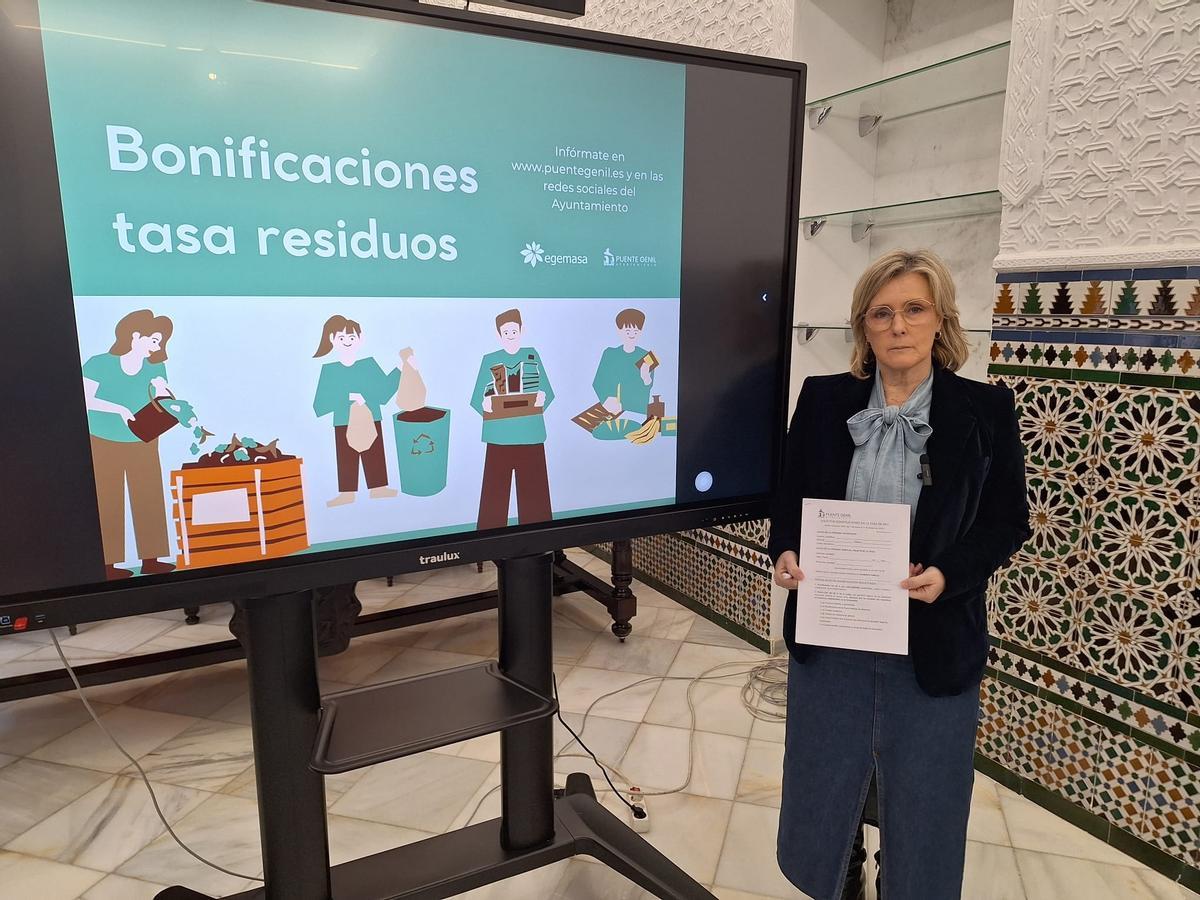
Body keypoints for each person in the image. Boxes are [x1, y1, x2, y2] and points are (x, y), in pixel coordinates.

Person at [769, 249, 1031, 900]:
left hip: (934, 644)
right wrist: (786, 550)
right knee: (826, 781)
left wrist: (949, 573)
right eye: (881, 313)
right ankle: (842, 875)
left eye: (914, 309)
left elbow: (1007, 522)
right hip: (834, 640)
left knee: (926, 794)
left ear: (941, 320)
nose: (897, 325)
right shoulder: (824, 400)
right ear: (863, 327)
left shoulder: (984, 411)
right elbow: (790, 497)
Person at [82, 309, 178, 580]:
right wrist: (120, 409)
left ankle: (152, 559)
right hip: (103, 439)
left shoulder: (155, 367)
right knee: (108, 497)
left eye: (160, 342)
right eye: (155, 340)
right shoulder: (99, 363)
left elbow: (163, 401)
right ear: (135, 335)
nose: (158, 347)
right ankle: (109, 565)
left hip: (142, 439)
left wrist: (164, 392)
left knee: (148, 495)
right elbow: (86, 399)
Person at [471, 308, 554, 528]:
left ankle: (540, 533)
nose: (510, 335)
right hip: (499, 436)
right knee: (494, 495)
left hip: (531, 434)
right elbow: (476, 397)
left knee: (535, 501)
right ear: (499, 334)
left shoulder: (532, 355)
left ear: (521, 330)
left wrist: (542, 397)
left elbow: (547, 390)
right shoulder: (490, 359)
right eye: (505, 332)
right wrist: (485, 402)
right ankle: (487, 540)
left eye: (513, 330)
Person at [312, 315, 407, 507]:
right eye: (341, 338)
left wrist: (401, 369)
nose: (347, 342)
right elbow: (319, 404)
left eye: (352, 337)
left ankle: (378, 488)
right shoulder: (329, 371)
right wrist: (346, 399)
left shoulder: (369, 365)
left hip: (371, 419)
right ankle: (347, 493)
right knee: (346, 456)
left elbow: (384, 393)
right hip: (343, 422)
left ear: (360, 339)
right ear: (332, 340)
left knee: (374, 453)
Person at [591, 307, 655, 416]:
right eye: (628, 331)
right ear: (619, 330)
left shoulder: (646, 356)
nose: (632, 335)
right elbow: (598, 382)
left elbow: (648, 385)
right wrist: (606, 398)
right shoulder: (610, 354)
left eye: (636, 331)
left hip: (636, 412)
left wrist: (645, 377)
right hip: (609, 411)